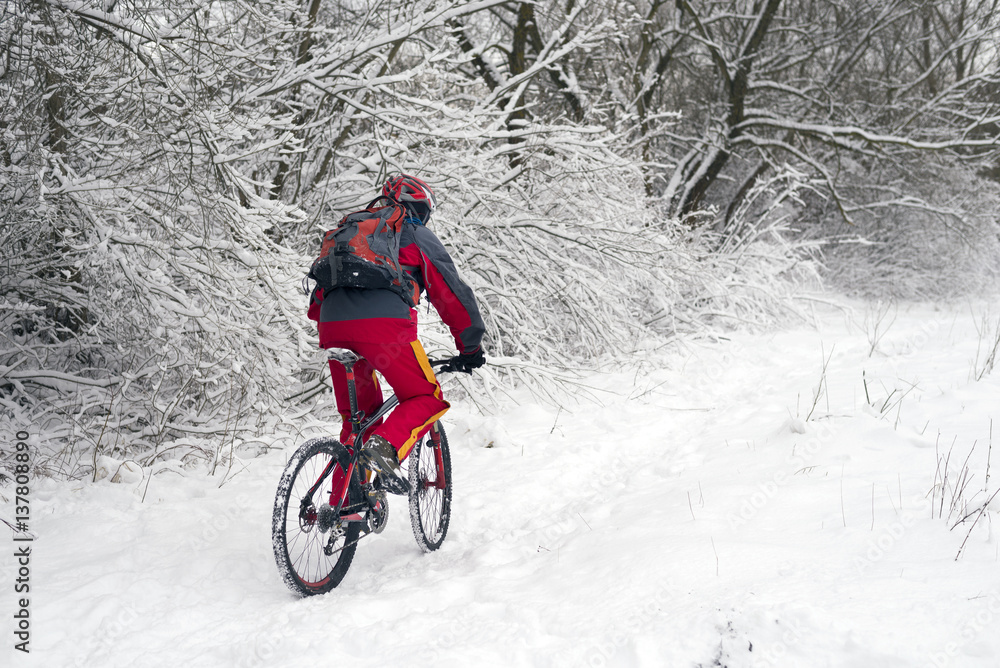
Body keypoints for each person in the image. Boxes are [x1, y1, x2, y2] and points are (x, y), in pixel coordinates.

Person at [307, 174, 485, 493]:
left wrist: (336, 326)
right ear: (421, 209)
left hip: (331, 326)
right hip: (384, 328)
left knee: (358, 418)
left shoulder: (353, 232)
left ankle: (343, 509)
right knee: (424, 395)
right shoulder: (414, 232)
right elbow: (452, 293)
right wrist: (469, 346)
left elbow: (321, 292)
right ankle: (385, 448)